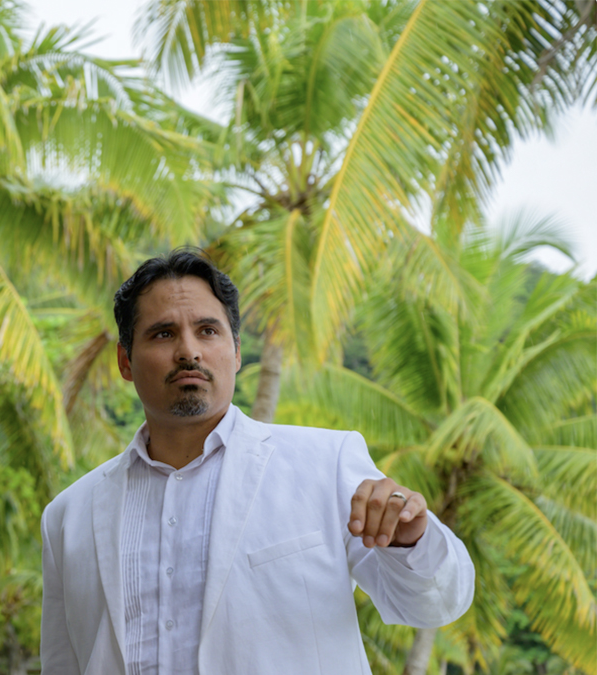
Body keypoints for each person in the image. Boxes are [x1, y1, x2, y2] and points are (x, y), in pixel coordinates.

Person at [40, 249, 475, 674]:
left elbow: (435, 603)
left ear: (236, 352)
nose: (189, 351)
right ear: (125, 361)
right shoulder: (68, 516)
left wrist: (410, 540)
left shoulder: (324, 465)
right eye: (163, 333)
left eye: (208, 331)